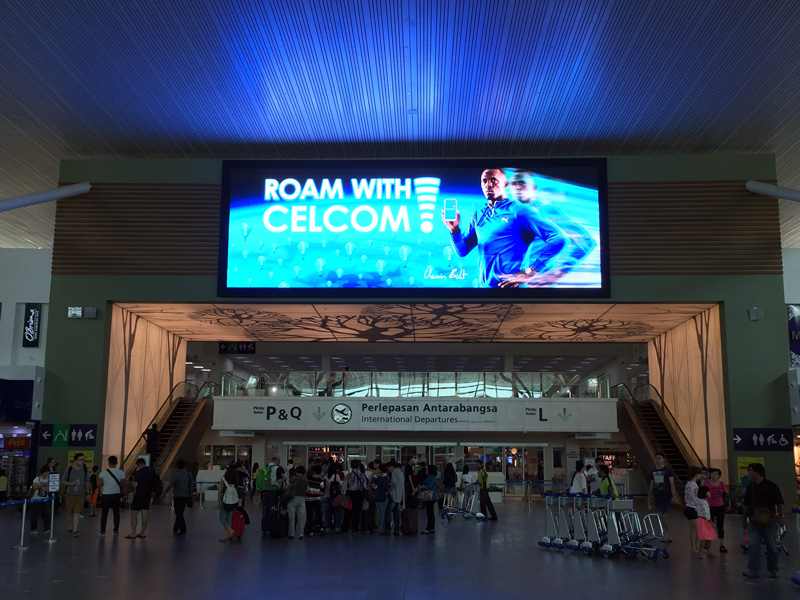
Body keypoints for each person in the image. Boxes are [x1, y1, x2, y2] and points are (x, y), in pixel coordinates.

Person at [442, 168, 566, 288]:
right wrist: (454, 230)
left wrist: (531, 272)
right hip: (484, 290)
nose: (488, 185)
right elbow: (462, 251)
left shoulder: (519, 210)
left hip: (512, 291)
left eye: (493, 180)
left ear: (505, 184)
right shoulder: (479, 215)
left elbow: (559, 238)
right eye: (484, 181)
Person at [508, 169, 597, 285]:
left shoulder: (545, 211)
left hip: (535, 286)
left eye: (522, 182)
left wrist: (560, 273)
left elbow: (587, 241)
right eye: (514, 183)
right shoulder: (502, 214)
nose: (517, 187)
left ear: (533, 187)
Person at [742, 462, 784, 579]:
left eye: (750, 471)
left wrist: (781, 517)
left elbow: (779, 502)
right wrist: (744, 519)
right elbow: (746, 505)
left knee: (772, 546)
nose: (748, 473)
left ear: (757, 472)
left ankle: (773, 569)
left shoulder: (771, 486)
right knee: (753, 546)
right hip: (753, 520)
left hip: (769, 521)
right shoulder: (750, 487)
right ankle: (753, 570)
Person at [647, 453, 681, 543]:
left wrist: (673, 495)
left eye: (659, 458)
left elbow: (672, 484)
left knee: (662, 513)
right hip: (657, 495)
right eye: (656, 458)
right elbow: (652, 484)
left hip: (665, 495)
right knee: (661, 514)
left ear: (663, 459)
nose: (658, 460)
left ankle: (667, 534)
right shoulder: (653, 472)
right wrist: (649, 496)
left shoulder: (668, 471)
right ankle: (666, 534)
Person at [62, 452, 91, 537]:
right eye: (80, 460)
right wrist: (71, 484)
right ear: (75, 461)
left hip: (80, 494)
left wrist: (88, 493)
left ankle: (75, 530)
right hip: (70, 494)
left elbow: (87, 481)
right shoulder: (69, 469)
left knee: (76, 513)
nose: (82, 461)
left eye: (83, 460)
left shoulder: (85, 470)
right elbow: (63, 481)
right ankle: (69, 528)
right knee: (69, 512)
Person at [162, 458, 193, 535]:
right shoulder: (189, 474)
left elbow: (170, 485)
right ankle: (176, 528)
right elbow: (191, 485)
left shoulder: (176, 475)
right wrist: (191, 494)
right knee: (180, 512)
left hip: (178, 496)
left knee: (178, 513)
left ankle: (183, 529)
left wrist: (165, 492)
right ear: (184, 466)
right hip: (186, 496)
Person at [97, 455, 125, 537]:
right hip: (116, 494)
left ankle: (102, 531)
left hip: (106, 495)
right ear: (117, 462)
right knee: (116, 513)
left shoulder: (103, 472)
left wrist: (105, 483)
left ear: (108, 462)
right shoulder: (121, 472)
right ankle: (116, 531)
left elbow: (99, 484)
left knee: (104, 514)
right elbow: (124, 484)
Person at [256, 453, 284, 537]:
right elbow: (279, 481)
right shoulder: (278, 468)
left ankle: (264, 529)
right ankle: (271, 529)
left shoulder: (265, 468)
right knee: (273, 510)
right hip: (273, 492)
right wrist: (285, 478)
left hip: (264, 492)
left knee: (265, 511)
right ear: (278, 461)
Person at [126, 457, 155, 539]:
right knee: (144, 512)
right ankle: (143, 532)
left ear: (138, 465)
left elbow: (135, 485)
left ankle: (133, 533)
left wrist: (133, 483)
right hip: (148, 495)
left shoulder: (138, 473)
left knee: (133, 514)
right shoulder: (152, 470)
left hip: (139, 495)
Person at [704, 467, 728, 552]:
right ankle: (707, 544)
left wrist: (727, 505)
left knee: (720, 525)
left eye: (716, 474)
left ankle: (721, 544)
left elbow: (725, 494)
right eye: (712, 474)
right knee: (709, 525)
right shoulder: (706, 484)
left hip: (720, 506)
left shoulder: (721, 484)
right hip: (709, 506)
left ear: (719, 476)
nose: (714, 476)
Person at [341, 459, 367, 535]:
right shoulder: (363, 475)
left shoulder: (348, 476)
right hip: (359, 494)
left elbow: (344, 487)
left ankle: (345, 528)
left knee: (348, 511)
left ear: (351, 466)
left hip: (350, 494)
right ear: (359, 466)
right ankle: (355, 529)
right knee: (357, 512)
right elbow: (365, 486)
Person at [684, 466, 702, 557]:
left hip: (691, 508)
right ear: (697, 474)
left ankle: (697, 546)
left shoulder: (690, 484)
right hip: (692, 508)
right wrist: (699, 503)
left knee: (696, 529)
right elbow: (692, 497)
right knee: (694, 529)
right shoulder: (691, 485)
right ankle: (693, 547)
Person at [217, 464, 238, 542]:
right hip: (233, 501)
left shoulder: (223, 478)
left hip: (225, 501)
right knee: (229, 518)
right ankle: (225, 537)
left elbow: (221, 490)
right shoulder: (235, 480)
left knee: (221, 518)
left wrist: (218, 501)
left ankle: (231, 531)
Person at [382, 460, 404, 536]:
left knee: (388, 512)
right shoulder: (400, 472)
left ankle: (387, 530)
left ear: (391, 467)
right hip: (399, 496)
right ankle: (396, 530)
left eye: (388, 468)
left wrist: (389, 489)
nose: (388, 470)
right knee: (396, 514)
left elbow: (393, 483)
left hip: (393, 495)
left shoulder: (394, 472)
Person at [287, 465, 308, 540]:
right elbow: (307, 490)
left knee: (291, 517)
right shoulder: (306, 480)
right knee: (301, 517)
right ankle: (301, 534)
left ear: (296, 471)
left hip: (292, 498)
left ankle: (291, 534)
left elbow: (287, 487)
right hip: (302, 498)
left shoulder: (293, 478)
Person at [29, 465, 51, 535]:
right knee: (35, 514)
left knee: (47, 514)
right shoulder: (37, 478)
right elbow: (35, 487)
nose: (47, 473)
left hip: (45, 499)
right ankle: (33, 529)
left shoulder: (49, 479)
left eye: (48, 472)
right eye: (45, 472)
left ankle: (46, 528)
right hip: (36, 499)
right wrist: (44, 484)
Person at [695, 486, 717, 558]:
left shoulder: (700, 501)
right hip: (705, 520)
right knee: (705, 537)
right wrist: (711, 522)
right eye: (708, 492)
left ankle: (705, 551)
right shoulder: (704, 502)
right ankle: (702, 552)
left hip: (701, 520)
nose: (710, 493)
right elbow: (706, 513)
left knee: (706, 536)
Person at [322, 462, 343, 534]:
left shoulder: (325, 476)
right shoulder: (336, 476)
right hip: (335, 497)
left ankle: (327, 527)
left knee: (327, 513)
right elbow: (339, 485)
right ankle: (337, 528)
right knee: (337, 512)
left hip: (326, 496)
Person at [305, 464, 324, 536]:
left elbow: (306, 488)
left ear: (313, 471)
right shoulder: (320, 480)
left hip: (309, 499)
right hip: (317, 499)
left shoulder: (309, 479)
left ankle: (310, 531)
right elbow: (322, 490)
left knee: (310, 515)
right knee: (318, 514)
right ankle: (321, 528)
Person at [421, 465, 438, 534]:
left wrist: (422, 487)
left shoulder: (431, 477)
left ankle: (428, 528)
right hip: (433, 497)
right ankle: (432, 528)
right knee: (431, 513)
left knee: (429, 513)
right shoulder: (433, 477)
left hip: (429, 497)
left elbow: (429, 486)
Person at [373, 463, 390, 533]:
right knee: (380, 513)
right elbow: (374, 482)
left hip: (382, 497)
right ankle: (380, 526)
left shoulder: (386, 478)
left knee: (383, 513)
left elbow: (385, 488)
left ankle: (382, 527)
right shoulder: (380, 477)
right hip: (378, 496)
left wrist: (376, 487)